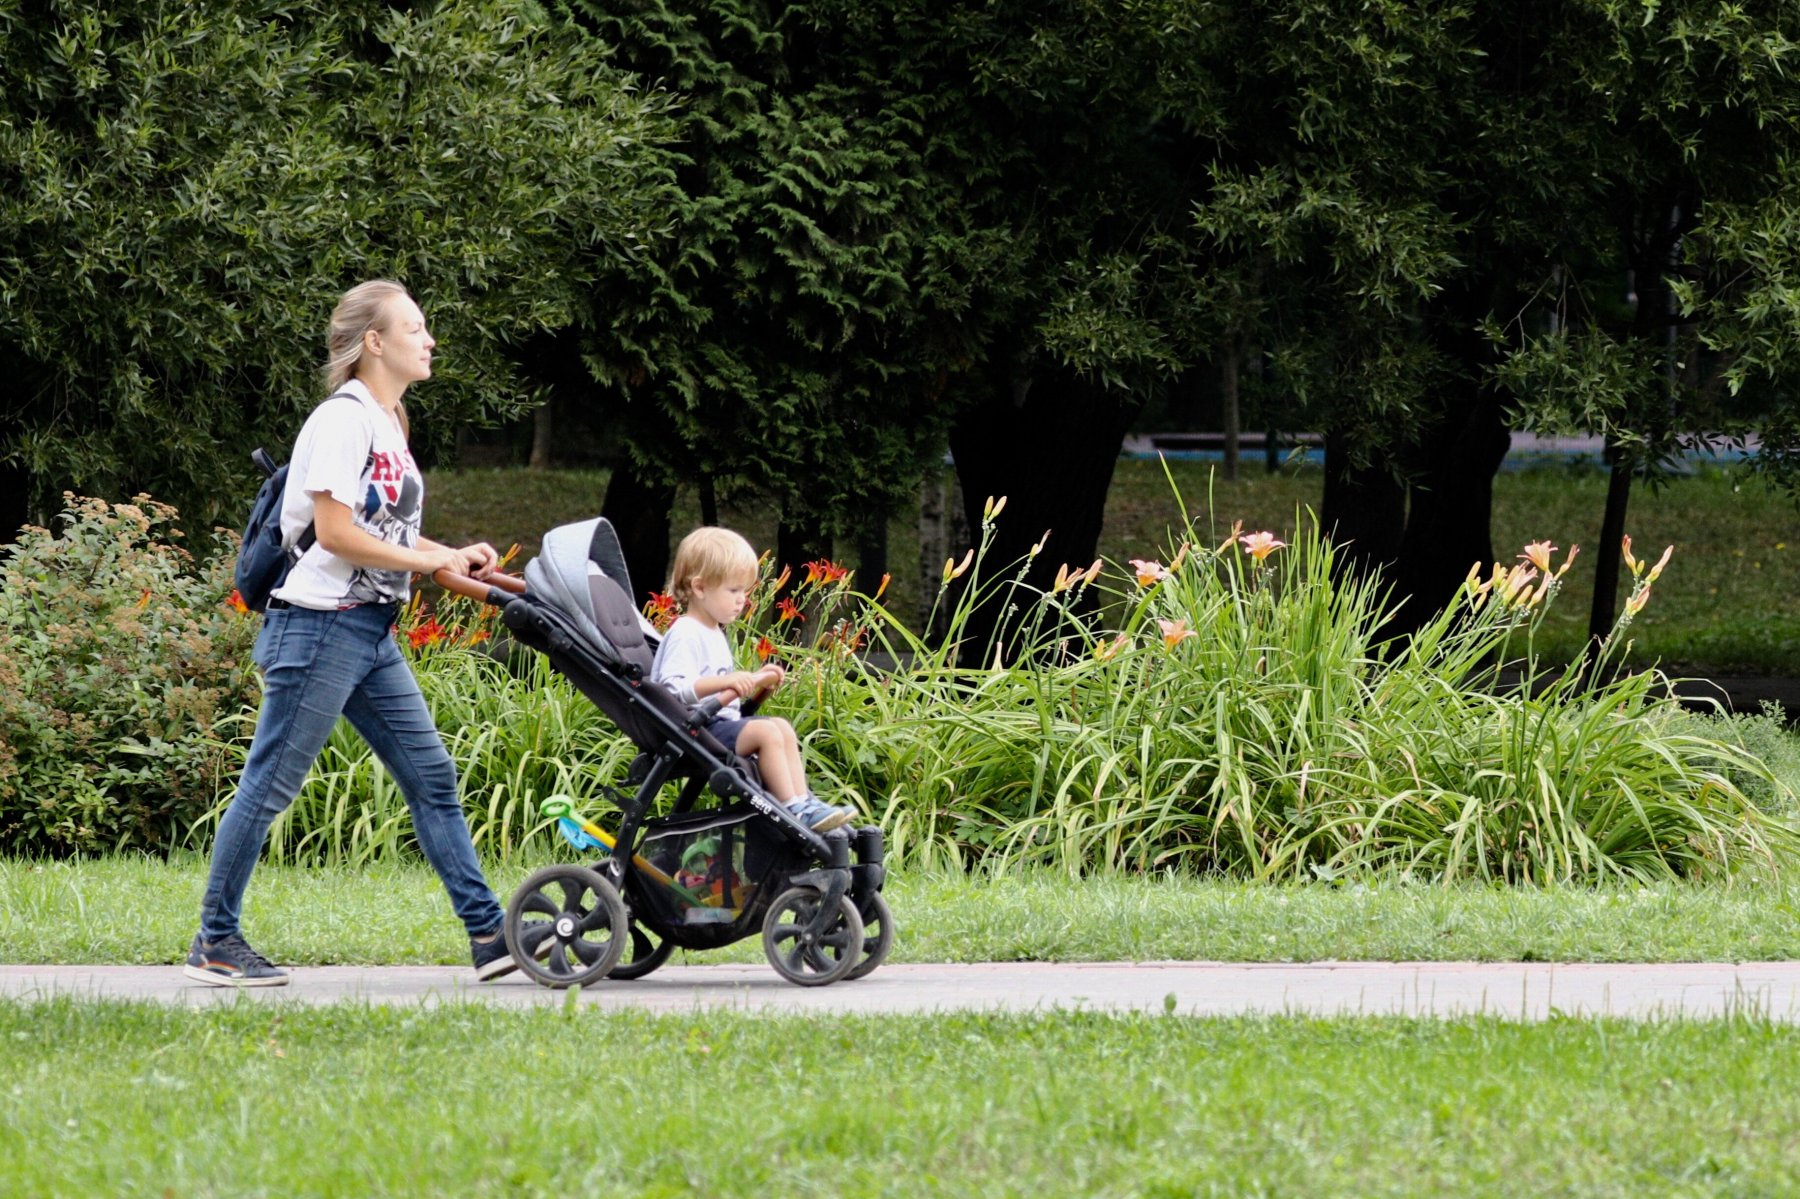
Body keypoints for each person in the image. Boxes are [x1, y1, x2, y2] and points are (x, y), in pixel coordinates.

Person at [185, 279, 516, 987]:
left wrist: (453, 560)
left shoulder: (390, 421)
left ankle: (491, 933)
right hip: (317, 627)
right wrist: (430, 557)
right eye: (415, 328)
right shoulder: (343, 419)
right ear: (375, 341)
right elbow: (335, 534)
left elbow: (385, 530)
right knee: (270, 786)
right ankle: (215, 940)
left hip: (368, 631)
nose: (429, 340)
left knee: (432, 778)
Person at [651, 527, 856, 832]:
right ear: (700, 587)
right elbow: (672, 689)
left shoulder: (713, 630)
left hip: (717, 724)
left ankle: (805, 801)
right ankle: (794, 809)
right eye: (733, 591)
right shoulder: (686, 632)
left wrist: (759, 678)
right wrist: (728, 683)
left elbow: (724, 685)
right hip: (696, 729)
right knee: (767, 734)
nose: (742, 601)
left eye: (744, 592)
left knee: (782, 727)